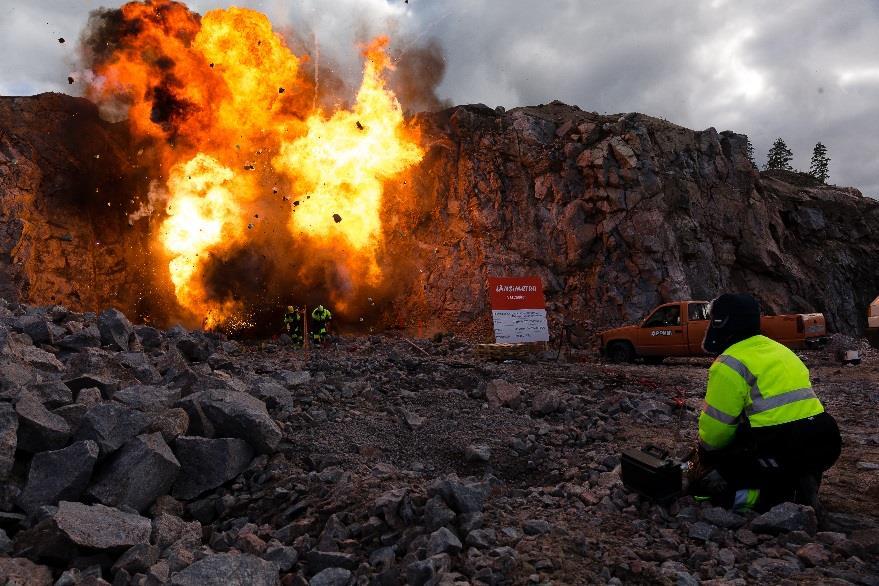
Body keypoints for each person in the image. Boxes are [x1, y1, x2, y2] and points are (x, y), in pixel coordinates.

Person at [691, 293, 841, 513]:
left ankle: (780, 498)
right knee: (755, 440)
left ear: (721, 322)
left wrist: (707, 459)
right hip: (825, 439)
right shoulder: (781, 351)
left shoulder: (730, 363)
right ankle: (798, 478)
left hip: (784, 445)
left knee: (704, 492)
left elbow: (716, 432)